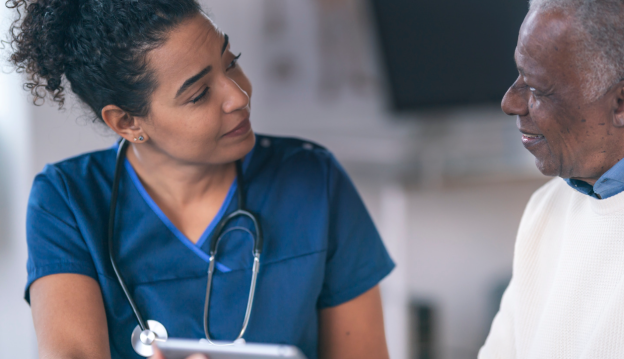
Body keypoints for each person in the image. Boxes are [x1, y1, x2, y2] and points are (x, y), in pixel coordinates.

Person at [7, 1, 395, 358]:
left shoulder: (315, 180)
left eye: (231, 62)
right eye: (199, 94)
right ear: (127, 122)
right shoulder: (68, 200)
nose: (238, 95)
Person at [479, 0, 624, 357]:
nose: (510, 102)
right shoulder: (546, 208)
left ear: (622, 103)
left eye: (537, 89)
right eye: (519, 76)